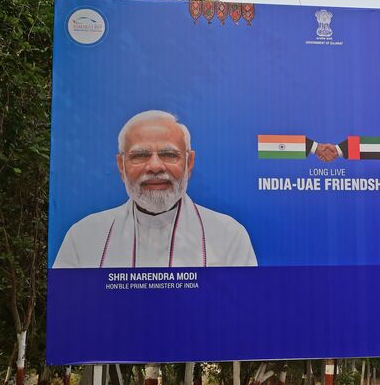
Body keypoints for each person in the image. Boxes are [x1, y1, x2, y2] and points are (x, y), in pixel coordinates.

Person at [54, 110, 256, 268]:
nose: (155, 167)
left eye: (169, 154)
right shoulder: (84, 236)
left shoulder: (228, 235)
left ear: (189, 163)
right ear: (121, 166)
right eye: (140, 155)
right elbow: (70, 313)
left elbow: (241, 313)